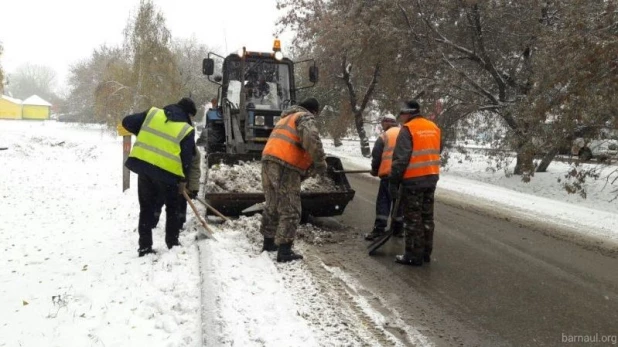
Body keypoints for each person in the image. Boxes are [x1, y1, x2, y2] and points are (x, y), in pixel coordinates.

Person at [122, 97, 198, 257]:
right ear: (188, 114)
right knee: (172, 208)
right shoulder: (186, 129)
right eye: (192, 117)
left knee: (146, 208)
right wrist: (183, 180)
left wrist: (145, 133)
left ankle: (144, 247)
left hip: (145, 168)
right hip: (168, 174)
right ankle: (172, 242)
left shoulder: (153, 113)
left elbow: (127, 121)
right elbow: (186, 158)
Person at [260, 97, 327, 262]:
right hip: (285, 165)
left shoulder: (285, 118)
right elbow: (311, 137)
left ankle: (268, 242)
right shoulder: (304, 117)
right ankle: (284, 251)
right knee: (291, 209)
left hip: (268, 161)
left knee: (273, 204)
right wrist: (320, 162)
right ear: (314, 111)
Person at [389, 100, 441, 266]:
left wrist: (393, 182)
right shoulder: (433, 127)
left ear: (407, 113)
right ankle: (426, 253)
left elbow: (401, 158)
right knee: (427, 216)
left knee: (412, 218)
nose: (401, 118)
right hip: (431, 177)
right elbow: (438, 148)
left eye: (402, 115)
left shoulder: (408, 129)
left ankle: (413, 255)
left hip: (413, 180)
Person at [365, 114, 404, 241]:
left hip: (388, 174)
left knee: (384, 201)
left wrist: (375, 170)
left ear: (387, 123)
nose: (382, 126)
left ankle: (379, 229)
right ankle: (398, 229)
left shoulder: (384, 136)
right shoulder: (404, 133)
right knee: (399, 202)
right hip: (402, 176)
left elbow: (377, 155)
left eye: (383, 123)